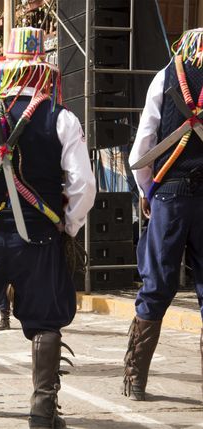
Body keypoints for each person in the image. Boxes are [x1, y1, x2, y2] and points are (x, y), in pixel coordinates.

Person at [0, 27, 95, 428]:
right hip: (42, 236)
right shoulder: (62, 118)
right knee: (45, 320)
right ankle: (42, 411)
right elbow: (83, 185)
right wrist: (70, 225)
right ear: (42, 73)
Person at [124, 28, 203, 402]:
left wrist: (147, 190)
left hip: (170, 195)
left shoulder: (167, 75)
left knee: (156, 285)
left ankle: (135, 379)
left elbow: (144, 142)